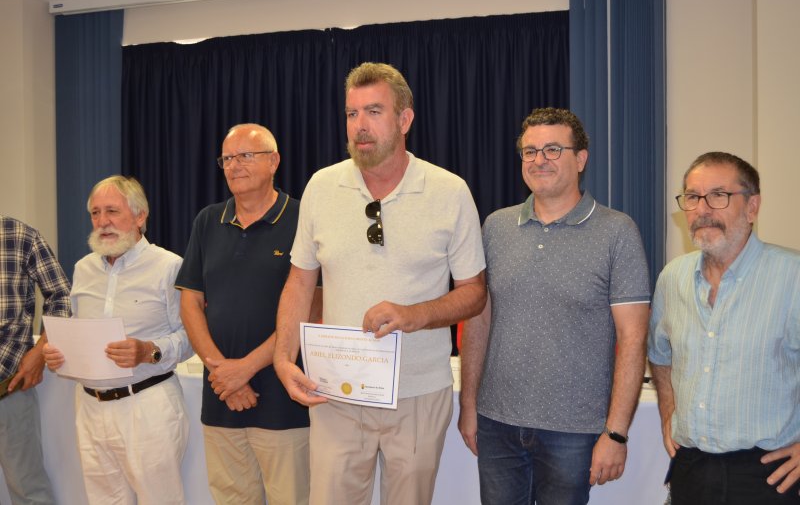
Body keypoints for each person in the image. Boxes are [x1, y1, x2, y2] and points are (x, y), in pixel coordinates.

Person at [273, 62, 487, 505]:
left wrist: (414, 315)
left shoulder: (449, 191)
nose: (360, 126)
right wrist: (282, 357)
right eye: (351, 114)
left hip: (417, 393)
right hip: (336, 394)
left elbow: (474, 293)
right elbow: (299, 282)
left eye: (374, 111)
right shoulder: (321, 186)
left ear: (405, 119)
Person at [458, 107, 651, 505]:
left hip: (575, 431)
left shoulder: (618, 232)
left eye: (552, 149)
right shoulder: (496, 226)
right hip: (498, 424)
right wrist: (469, 404)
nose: (538, 160)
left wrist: (615, 433)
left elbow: (633, 339)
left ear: (580, 159)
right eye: (529, 152)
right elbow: (478, 321)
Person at [649, 151, 800, 504]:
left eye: (719, 195)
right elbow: (659, 356)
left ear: (752, 207)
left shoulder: (792, 277)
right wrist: (668, 413)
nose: (702, 209)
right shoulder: (673, 278)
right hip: (691, 469)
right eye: (692, 197)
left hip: (769, 474)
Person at [176, 123, 314, 505]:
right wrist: (223, 372)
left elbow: (310, 311)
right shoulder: (207, 220)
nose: (234, 165)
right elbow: (190, 303)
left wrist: (246, 369)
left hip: (285, 403)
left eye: (245, 156)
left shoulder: (304, 219)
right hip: (221, 399)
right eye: (227, 158)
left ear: (274, 161)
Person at [43, 175, 192, 505]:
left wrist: (148, 350)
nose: (102, 222)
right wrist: (60, 355)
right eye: (95, 213)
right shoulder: (83, 269)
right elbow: (79, 332)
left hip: (147, 405)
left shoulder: (169, 266)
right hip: (90, 407)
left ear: (140, 216)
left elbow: (189, 337)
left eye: (112, 211)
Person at [0, 216, 70, 505]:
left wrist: (40, 351)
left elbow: (62, 297)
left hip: (8, 387)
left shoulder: (19, 236)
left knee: (27, 489)